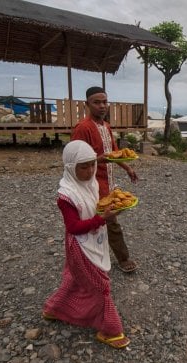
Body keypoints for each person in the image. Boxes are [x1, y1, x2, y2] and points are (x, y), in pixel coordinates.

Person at [42, 140, 130, 349]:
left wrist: (113, 202)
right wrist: (103, 220)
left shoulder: (91, 184)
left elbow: (96, 206)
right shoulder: (66, 196)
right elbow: (73, 227)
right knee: (101, 285)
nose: (90, 170)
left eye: (92, 164)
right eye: (83, 166)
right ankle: (111, 330)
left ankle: (54, 309)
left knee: (75, 280)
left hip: (94, 239)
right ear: (71, 168)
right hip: (80, 246)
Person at [71, 86, 139, 273]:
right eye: (97, 102)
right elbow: (74, 160)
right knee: (109, 221)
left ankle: (91, 258)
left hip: (108, 182)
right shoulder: (82, 128)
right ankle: (122, 259)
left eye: (104, 102)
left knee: (102, 221)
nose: (102, 106)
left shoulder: (106, 126)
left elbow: (115, 153)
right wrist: (100, 158)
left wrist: (128, 168)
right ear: (87, 104)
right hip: (91, 184)